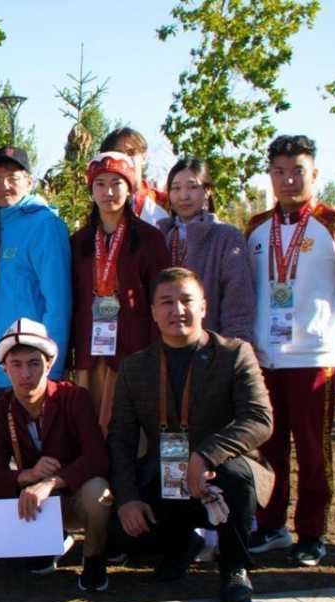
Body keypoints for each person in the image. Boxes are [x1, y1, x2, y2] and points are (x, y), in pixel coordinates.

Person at [108, 267, 274, 602]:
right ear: (153, 312)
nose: (177, 310)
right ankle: (181, 545)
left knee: (237, 477)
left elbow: (259, 419)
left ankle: (235, 569)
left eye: (186, 300)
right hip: (165, 472)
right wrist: (126, 498)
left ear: (203, 306)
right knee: (119, 528)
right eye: (166, 302)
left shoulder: (234, 354)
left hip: (219, 470)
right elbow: (121, 438)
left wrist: (205, 455)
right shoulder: (135, 367)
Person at [246, 135, 335, 566]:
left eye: (297, 170)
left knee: (314, 449)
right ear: (271, 176)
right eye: (279, 171)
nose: (287, 180)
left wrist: (324, 329)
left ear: (314, 174)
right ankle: (271, 524)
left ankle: (313, 532)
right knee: (269, 445)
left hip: (314, 359)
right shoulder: (255, 228)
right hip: (266, 357)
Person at [0, 318, 110, 589]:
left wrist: (51, 482)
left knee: (98, 491)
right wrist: (27, 476)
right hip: (34, 503)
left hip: (73, 495)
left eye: (34, 363)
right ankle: (41, 544)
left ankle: (94, 558)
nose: (26, 374)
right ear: (4, 369)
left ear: (49, 364)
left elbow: (97, 458)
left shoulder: (75, 398)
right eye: (16, 365)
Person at [71, 151, 169, 432]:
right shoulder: (79, 242)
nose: (108, 192)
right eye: (100, 184)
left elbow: (159, 298)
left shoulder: (150, 239)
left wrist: (156, 352)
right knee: (89, 427)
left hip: (134, 351)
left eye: (117, 183)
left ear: (129, 188)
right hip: (90, 351)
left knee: (128, 430)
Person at [0, 146, 72, 393]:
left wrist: (51, 368)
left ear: (29, 182)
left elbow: (58, 302)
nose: (4, 186)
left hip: (31, 371)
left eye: (13, 178)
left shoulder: (45, 225)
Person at [157, 158, 255, 342]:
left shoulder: (227, 238)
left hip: (210, 350)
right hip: (164, 349)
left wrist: (230, 352)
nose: (184, 196)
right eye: (176, 188)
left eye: (192, 187)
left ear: (207, 191)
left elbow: (238, 305)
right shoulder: (159, 237)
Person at [100, 127, 168, 227]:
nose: (126, 159)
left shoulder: (165, 203)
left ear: (144, 156)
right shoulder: (99, 203)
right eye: (118, 153)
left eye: (131, 153)